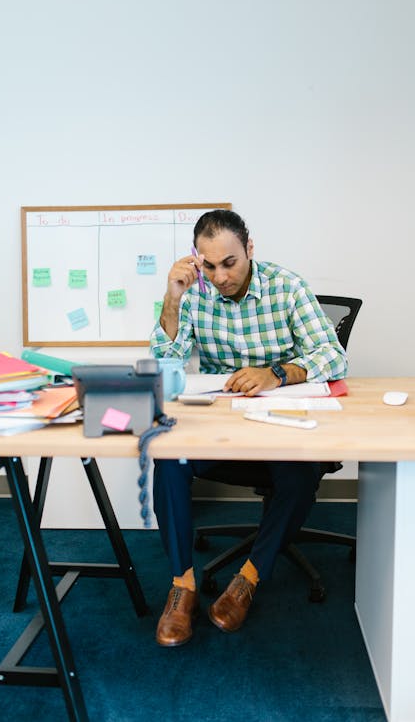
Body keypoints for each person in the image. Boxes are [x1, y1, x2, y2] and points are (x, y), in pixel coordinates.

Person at [149, 209, 347, 647]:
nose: (220, 276)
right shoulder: (195, 293)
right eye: (210, 265)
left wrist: (276, 373)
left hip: (282, 429)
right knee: (168, 458)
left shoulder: (287, 287)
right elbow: (165, 365)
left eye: (230, 263)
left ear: (249, 249)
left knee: (299, 474)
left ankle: (249, 577)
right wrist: (173, 296)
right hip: (224, 430)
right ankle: (183, 586)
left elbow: (334, 358)